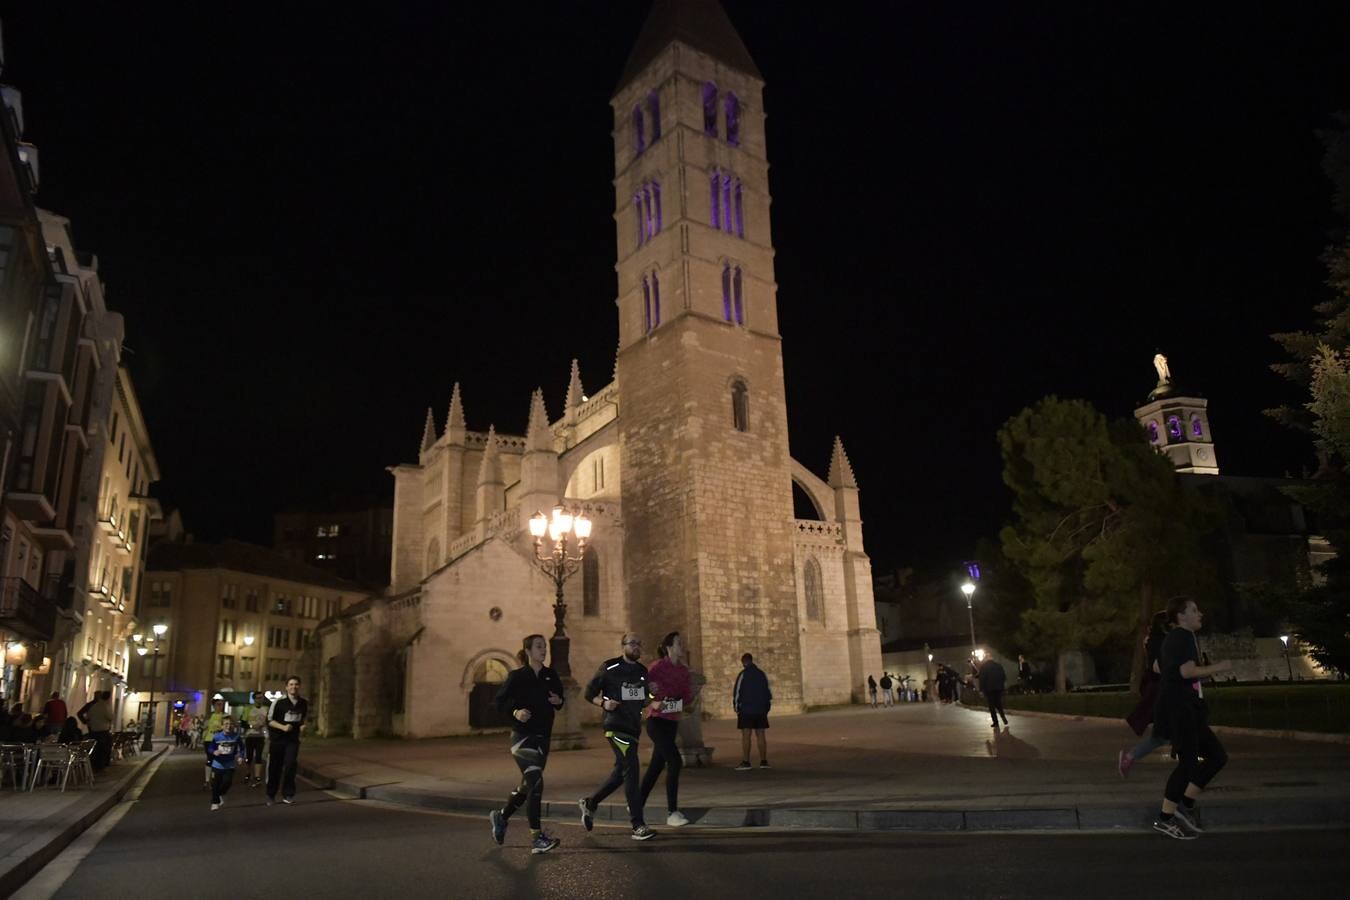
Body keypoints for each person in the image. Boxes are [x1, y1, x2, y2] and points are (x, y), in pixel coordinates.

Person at [1151, 596, 1232, 840]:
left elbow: (1158, 667)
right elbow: (1186, 671)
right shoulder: (1182, 636)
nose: (1200, 614)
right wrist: (1220, 667)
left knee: (1217, 756)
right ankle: (1165, 818)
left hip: (1186, 707)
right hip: (1180, 709)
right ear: (1181, 616)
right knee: (1188, 764)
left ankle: (1186, 802)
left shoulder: (1174, 639)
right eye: (1194, 610)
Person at [489, 634, 564, 854]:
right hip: (522, 738)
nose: (544, 650)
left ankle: (501, 817)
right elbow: (499, 702)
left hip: (543, 738)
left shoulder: (551, 675)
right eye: (539, 647)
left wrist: (558, 701)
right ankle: (537, 838)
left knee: (527, 785)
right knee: (536, 783)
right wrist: (516, 712)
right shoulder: (517, 676)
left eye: (545, 647)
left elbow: (560, 699)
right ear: (528, 651)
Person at [580, 632, 655, 841]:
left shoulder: (642, 671)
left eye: (640, 643)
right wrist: (603, 703)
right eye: (633, 643)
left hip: (633, 728)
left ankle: (591, 803)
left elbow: (643, 698)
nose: (637, 647)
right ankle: (637, 825)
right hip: (615, 727)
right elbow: (588, 693)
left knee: (620, 773)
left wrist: (652, 694)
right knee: (632, 770)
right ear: (623, 646)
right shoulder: (609, 667)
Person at [639, 631, 694, 828]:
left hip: (672, 721)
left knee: (655, 767)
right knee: (675, 761)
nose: (682, 646)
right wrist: (654, 702)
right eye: (679, 643)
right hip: (656, 722)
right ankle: (672, 812)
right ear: (669, 647)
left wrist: (677, 702)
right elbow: (642, 690)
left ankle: (636, 803)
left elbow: (688, 697)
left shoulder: (684, 671)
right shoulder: (657, 668)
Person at [1119, 611, 1170, 778]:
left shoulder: (1152, 641)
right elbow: (1159, 666)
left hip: (1159, 691)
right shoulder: (1160, 642)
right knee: (1181, 731)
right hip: (1165, 693)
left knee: (1161, 736)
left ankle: (1129, 757)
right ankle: (1191, 775)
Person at [266, 676, 309, 806]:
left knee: (291, 765)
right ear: (286, 687)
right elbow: (269, 721)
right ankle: (271, 795)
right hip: (278, 740)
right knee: (275, 768)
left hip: (292, 740)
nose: (293, 687)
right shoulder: (278, 702)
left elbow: (302, 719)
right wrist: (283, 727)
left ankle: (288, 794)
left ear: (299, 686)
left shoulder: (303, 703)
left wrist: (302, 726)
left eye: (296, 684)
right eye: (291, 684)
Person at [732, 652, 772, 770]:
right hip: (760, 710)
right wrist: (766, 708)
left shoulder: (743, 675)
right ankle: (763, 761)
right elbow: (768, 692)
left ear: (743, 662)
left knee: (746, 735)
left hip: (746, 710)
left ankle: (746, 762)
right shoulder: (762, 674)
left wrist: (736, 708)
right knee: (761, 735)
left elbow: (737, 693)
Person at [206, 715, 242, 811]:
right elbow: (210, 748)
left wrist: (241, 757)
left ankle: (220, 794)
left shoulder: (236, 737)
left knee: (227, 782)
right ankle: (214, 802)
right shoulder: (217, 737)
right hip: (217, 764)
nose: (228, 726)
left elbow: (242, 748)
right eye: (226, 724)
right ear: (222, 726)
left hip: (229, 765)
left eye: (230, 724)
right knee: (215, 784)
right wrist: (214, 752)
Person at [79, 691, 114, 770]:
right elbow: (110, 717)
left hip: (93, 730)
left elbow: (89, 716)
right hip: (103, 730)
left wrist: (87, 722)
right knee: (104, 749)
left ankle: (95, 764)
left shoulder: (92, 706)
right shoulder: (105, 706)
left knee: (96, 749)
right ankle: (102, 765)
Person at [201, 696, 227, 790]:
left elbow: (230, 727)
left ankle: (215, 779)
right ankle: (207, 780)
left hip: (220, 741)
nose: (220, 707)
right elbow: (204, 727)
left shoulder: (225, 716)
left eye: (222, 705)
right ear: (214, 705)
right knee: (210, 760)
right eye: (218, 705)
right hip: (209, 740)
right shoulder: (209, 716)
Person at [977, 655, 1009, 728]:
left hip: (989, 689)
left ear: (986, 659)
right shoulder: (998, 666)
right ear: (992, 658)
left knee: (991, 706)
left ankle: (995, 722)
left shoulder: (983, 667)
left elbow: (982, 679)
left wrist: (981, 690)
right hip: (998, 688)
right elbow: (1003, 676)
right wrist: (1001, 685)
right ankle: (1003, 717)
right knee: (998, 703)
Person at [245, 695, 269, 787]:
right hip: (250, 736)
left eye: (261, 698)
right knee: (249, 757)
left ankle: (257, 777)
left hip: (260, 736)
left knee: (259, 756)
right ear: (254, 699)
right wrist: (251, 726)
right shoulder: (248, 709)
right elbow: (242, 722)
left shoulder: (265, 709)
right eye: (258, 698)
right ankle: (248, 773)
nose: (260, 699)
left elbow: (268, 721)